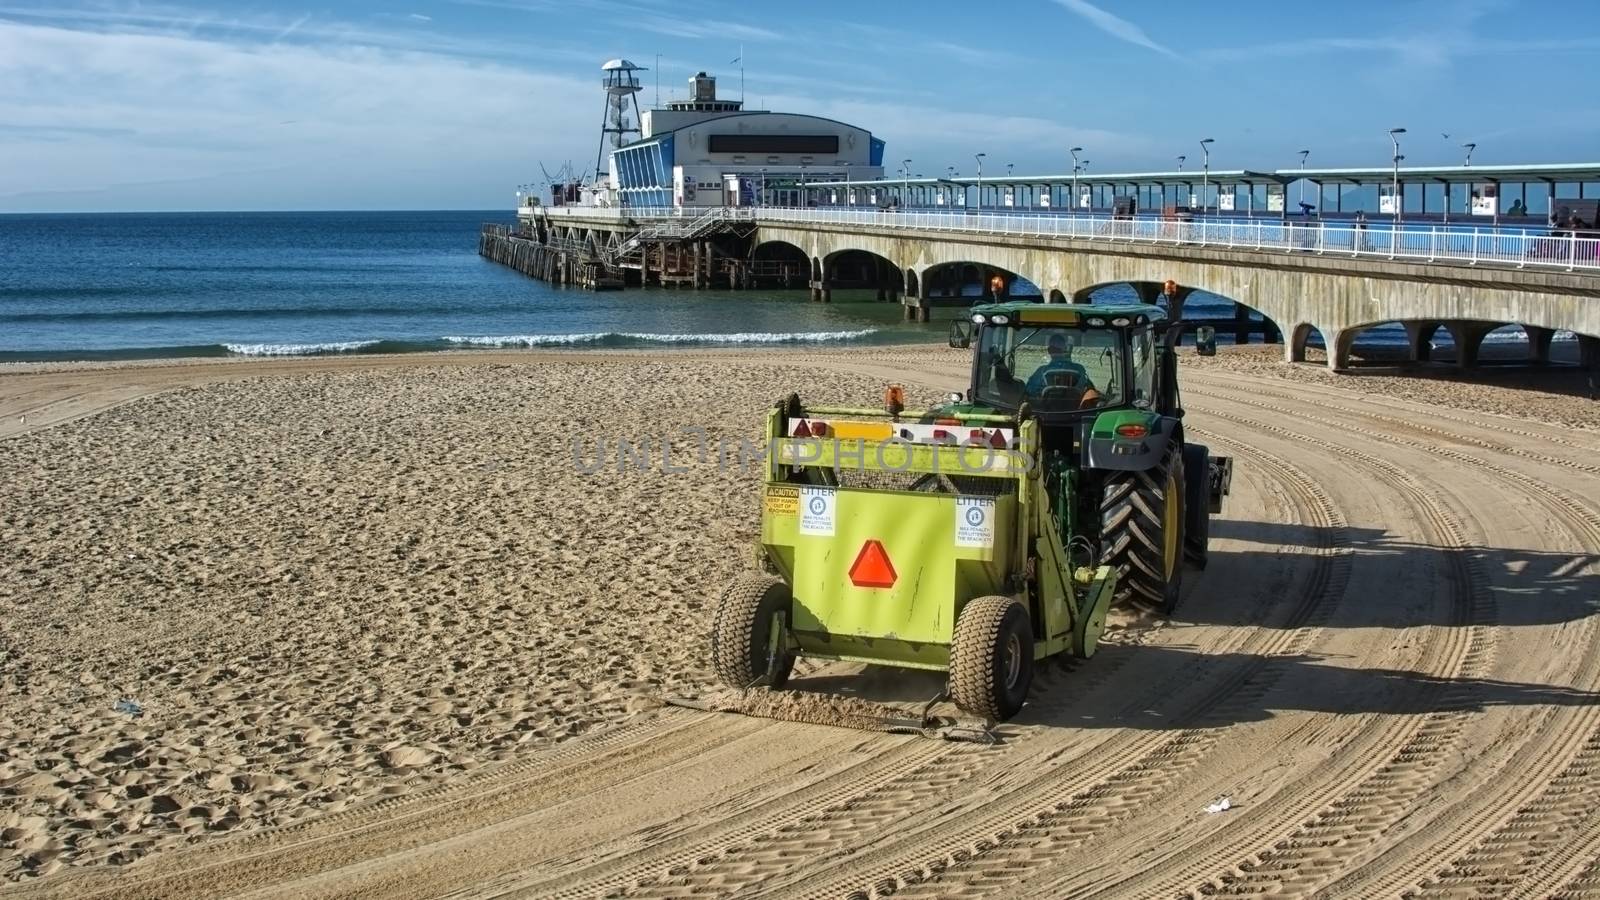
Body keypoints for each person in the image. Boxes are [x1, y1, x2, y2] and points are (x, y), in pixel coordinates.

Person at [1026, 333, 1093, 397]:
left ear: (1049, 351)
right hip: (1077, 408)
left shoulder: (1041, 371)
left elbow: (1029, 390)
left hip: (1047, 408)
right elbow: (1087, 389)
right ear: (1066, 350)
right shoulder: (1079, 369)